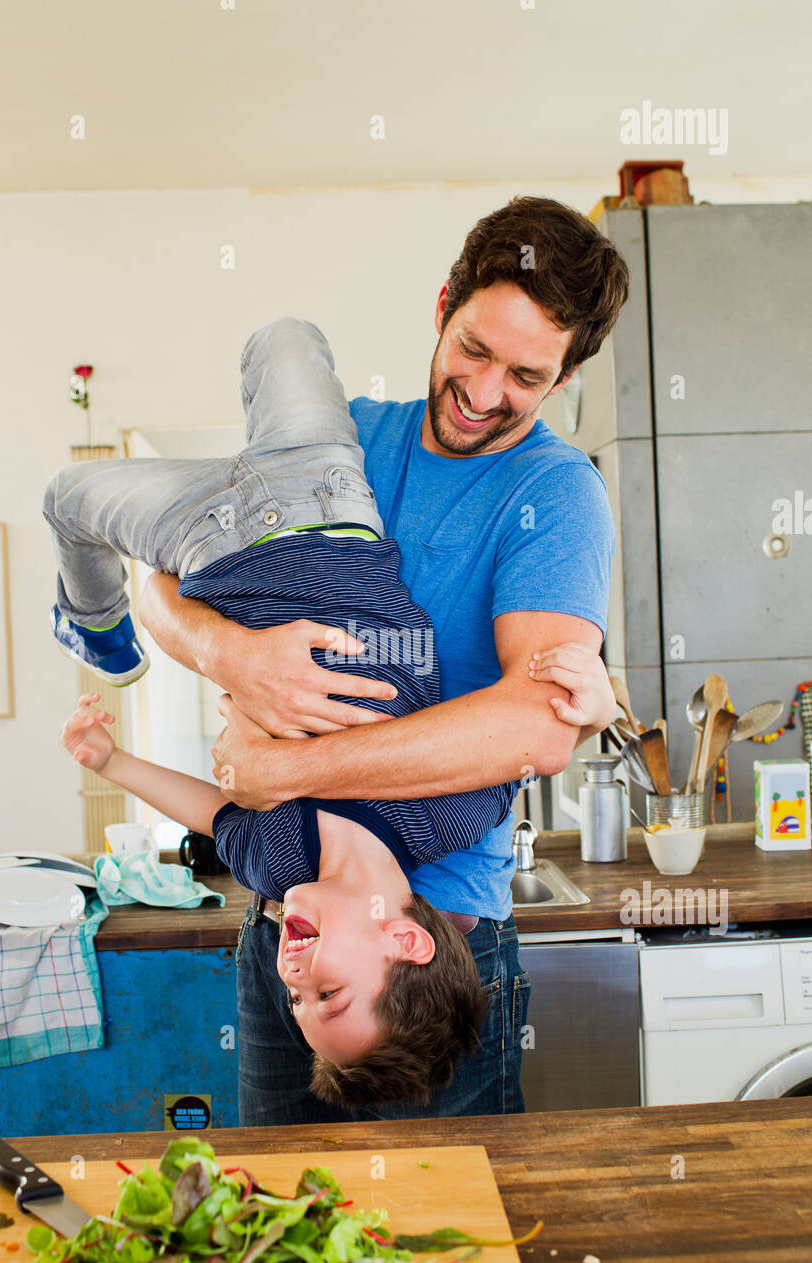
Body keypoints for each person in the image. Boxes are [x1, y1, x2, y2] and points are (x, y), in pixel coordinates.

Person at [139, 194, 631, 1125]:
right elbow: (158, 581)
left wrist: (292, 766)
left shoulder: (556, 496)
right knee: (277, 1228)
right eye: (474, 350)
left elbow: (536, 729)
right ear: (444, 302)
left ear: (563, 379)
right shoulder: (344, 433)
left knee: (446, 1237)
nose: (485, 395)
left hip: (439, 942)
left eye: (526, 375)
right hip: (290, 918)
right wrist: (232, 654)